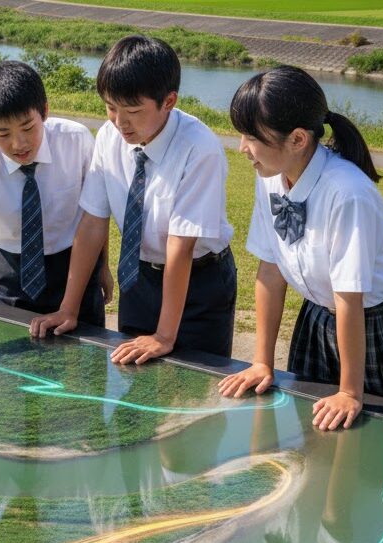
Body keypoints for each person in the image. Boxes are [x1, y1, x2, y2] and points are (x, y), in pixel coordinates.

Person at [218, 65, 383, 429]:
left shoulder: (347, 193)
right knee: (317, 443)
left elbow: (349, 295)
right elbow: (270, 271)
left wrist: (351, 391)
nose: (242, 148)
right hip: (320, 321)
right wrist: (261, 362)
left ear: (298, 139)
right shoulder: (270, 177)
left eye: (252, 137)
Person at [30, 35, 236, 364]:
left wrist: (164, 335)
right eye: (111, 107)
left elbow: (180, 247)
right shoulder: (110, 137)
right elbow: (93, 222)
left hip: (199, 283)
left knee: (196, 392)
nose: (120, 122)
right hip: (138, 278)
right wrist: (68, 308)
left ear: (168, 101)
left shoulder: (200, 149)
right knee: (135, 382)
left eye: (133, 111)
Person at [0, 61, 112, 364]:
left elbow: (95, 213)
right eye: (2, 133)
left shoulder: (77, 141)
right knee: (12, 373)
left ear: (44, 111)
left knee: (85, 373)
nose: (18, 144)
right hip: (12, 277)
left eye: (28, 128)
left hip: (74, 269)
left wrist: (102, 267)